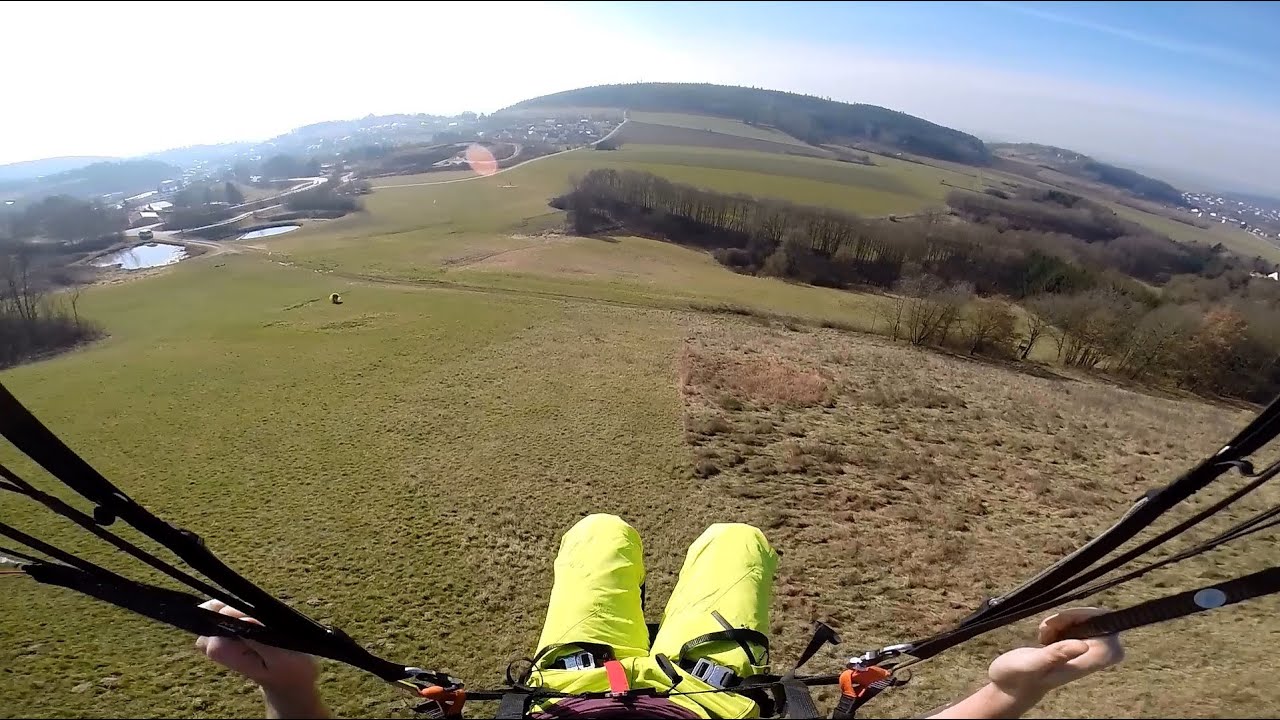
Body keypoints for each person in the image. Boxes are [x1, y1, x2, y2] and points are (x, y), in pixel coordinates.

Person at [198, 514, 1124, 719]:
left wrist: (294, 691)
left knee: (598, 536)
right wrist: (1018, 689)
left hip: (575, 687)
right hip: (708, 696)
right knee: (735, 542)